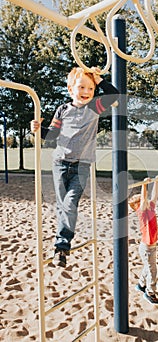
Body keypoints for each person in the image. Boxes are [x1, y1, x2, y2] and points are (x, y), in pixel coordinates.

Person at [31, 67, 119, 267]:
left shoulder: (94, 107)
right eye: (81, 87)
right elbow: (52, 135)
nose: (86, 91)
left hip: (82, 166)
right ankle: (61, 250)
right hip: (60, 164)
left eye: (90, 88)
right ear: (71, 89)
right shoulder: (63, 109)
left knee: (69, 204)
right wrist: (38, 130)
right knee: (64, 206)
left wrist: (99, 80)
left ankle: (62, 246)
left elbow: (114, 95)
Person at [129, 176, 158, 304]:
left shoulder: (151, 208)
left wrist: (156, 182)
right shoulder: (142, 213)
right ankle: (150, 292)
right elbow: (143, 200)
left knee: (149, 267)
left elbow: (154, 196)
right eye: (143, 199)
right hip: (146, 247)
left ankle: (141, 285)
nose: (147, 200)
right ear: (138, 205)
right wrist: (144, 185)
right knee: (152, 270)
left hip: (152, 246)